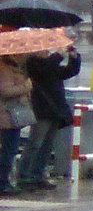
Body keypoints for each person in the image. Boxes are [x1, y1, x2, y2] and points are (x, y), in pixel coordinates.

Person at [20, 43, 82, 189]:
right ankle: (24, 175)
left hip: (55, 109)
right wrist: (59, 54)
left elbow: (68, 72)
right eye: (42, 48)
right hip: (42, 109)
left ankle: (38, 174)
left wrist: (74, 58)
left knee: (47, 145)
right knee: (35, 143)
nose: (46, 50)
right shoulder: (32, 64)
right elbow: (45, 69)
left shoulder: (49, 64)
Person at [0, 56, 29, 195]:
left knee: (10, 150)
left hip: (11, 116)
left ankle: (4, 181)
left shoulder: (14, 69)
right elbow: (5, 91)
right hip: (7, 116)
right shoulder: (4, 70)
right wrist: (25, 87)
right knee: (8, 150)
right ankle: (2, 182)